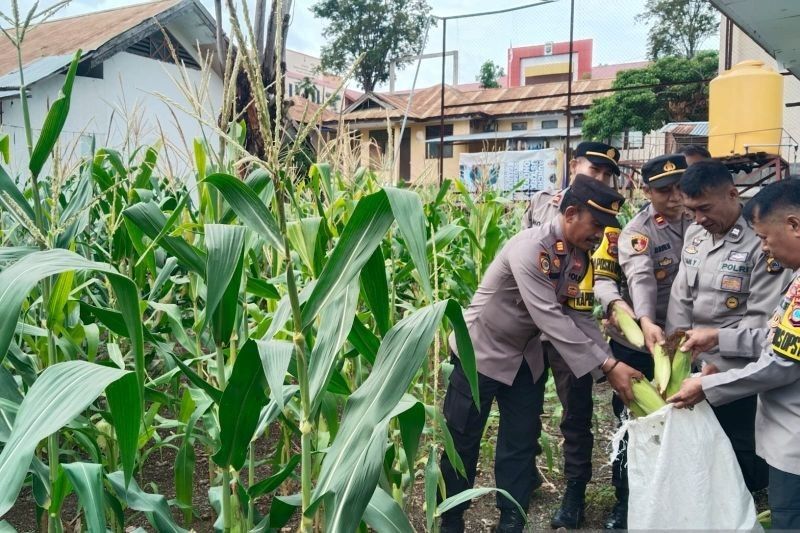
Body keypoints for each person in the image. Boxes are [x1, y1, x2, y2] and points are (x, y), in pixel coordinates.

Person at [439, 177, 643, 533]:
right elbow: (548, 316)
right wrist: (609, 366)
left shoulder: (578, 256)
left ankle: (511, 519)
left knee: (520, 441)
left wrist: (607, 357)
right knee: (462, 440)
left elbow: (578, 315)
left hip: (525, 358)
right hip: (480, 353)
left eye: (605, 227)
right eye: (596, 225)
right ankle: (451, 518)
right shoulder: (530, 248)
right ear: (570, 213)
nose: (600, 234)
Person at [669, 178, 800, 530]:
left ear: (794, 225)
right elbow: (777, 338)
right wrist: (719, 338)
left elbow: (782, 364)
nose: (764, 248)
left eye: (764, 237)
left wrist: (707, 387)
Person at [520, 141, 623, 528]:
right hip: (532, 327)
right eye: (593, 171)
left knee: (575, 414)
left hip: (575, 324)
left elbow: (607, 276)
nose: (599, 179)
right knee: (524, 407)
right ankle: (525, 475)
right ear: (574, 164)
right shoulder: (541, 204)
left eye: (606, 175)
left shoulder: (607, 220)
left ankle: (574, 490)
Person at [593, 153, 691, 529]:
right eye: (665, 190)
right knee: (633, 424)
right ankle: (625, 500)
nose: (675, 197)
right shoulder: (637, 231)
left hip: (684, 345)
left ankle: (675, 494)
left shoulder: (699, 221)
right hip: (639, 345)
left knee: (682, 420)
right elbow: (641, 279)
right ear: (647, 191)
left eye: (681, 187)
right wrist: (646, 322)